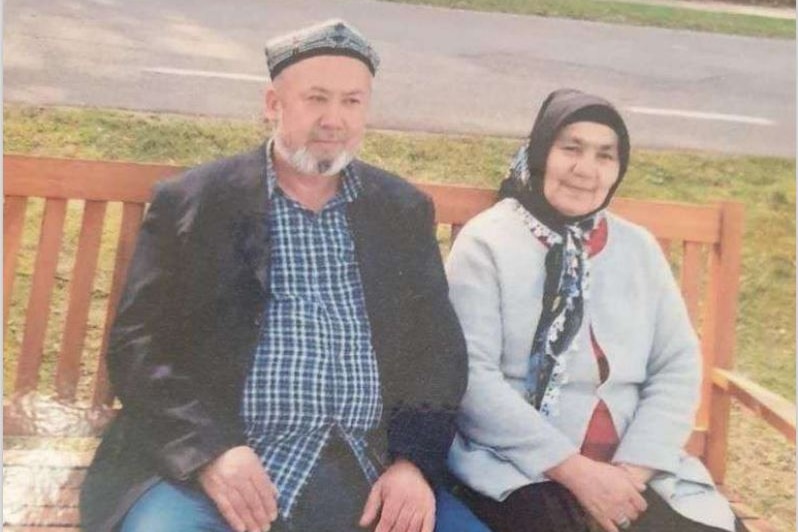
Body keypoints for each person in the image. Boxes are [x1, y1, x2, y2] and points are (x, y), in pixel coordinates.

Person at [79, 19, 473, 532]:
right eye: (316, 98)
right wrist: (209, 451)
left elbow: (436, 352)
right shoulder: (198, 202)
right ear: (273, 104)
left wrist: (412, 463)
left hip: (367, 468)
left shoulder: (399, 211)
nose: (334, 119)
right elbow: (139, 346)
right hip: (218, 468)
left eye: (352, 102)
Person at [444, 88, 741, 532]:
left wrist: (630, 474)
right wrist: (577, 472)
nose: (586, 170)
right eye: (571, 148)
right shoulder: (489, 242)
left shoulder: (637, 247)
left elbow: (676, 366)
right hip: (524, 467)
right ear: (542, 152)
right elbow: (473, 378)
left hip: (635, 466)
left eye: (605, 155)